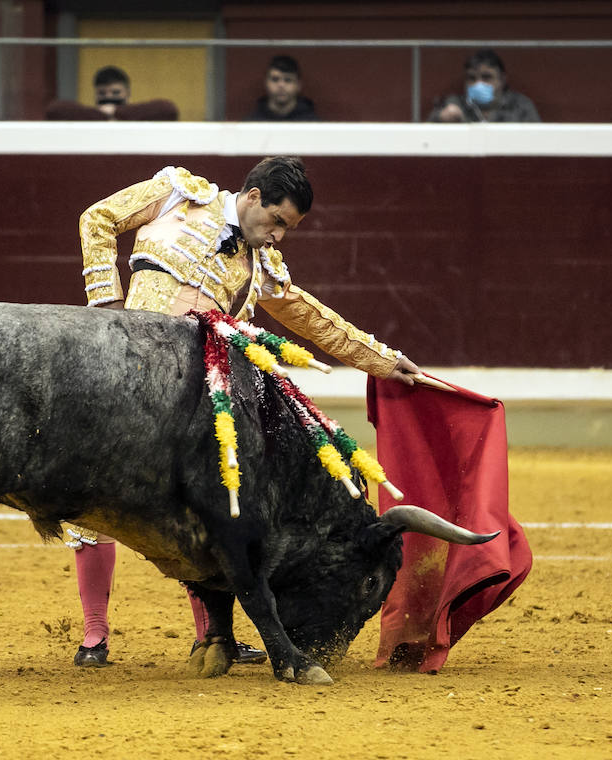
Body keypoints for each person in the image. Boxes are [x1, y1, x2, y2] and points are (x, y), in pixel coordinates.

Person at [70, 157, 423, 669]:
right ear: (253, 196)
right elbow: (97, 218)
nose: (278, 237)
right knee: (91, 492)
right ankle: (94, 636)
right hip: (124, 368)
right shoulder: (177, 195)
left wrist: (385, 362)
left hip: (191, 396)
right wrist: (106, 310)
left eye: (288, 230)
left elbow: (315, 320)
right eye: (277, 221)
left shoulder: (262, 266)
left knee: (210, 505)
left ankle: (211, 637)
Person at [428, 49, 539, 123]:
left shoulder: (521, 106)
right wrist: (441, 118)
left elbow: (538, 140)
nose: (478, 83)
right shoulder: (454, 103)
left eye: (486, 77)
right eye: (472, 78)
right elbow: (426, 134)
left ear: (502, 80)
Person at [45, 65, 178, 121]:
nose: (109, 97)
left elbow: (168, 109)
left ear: (127, 93)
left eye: (115, 92)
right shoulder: (88, 117)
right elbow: (54, 110)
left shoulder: (139, 115)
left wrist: (116, 111)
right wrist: (100, 114)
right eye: (102, 93)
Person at [242, 55, 318, 122]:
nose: (281, 85)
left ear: (298, 85)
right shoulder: (252, 124)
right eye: (275, 79)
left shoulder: (314, 125)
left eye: (288, 80)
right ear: (266, 83)